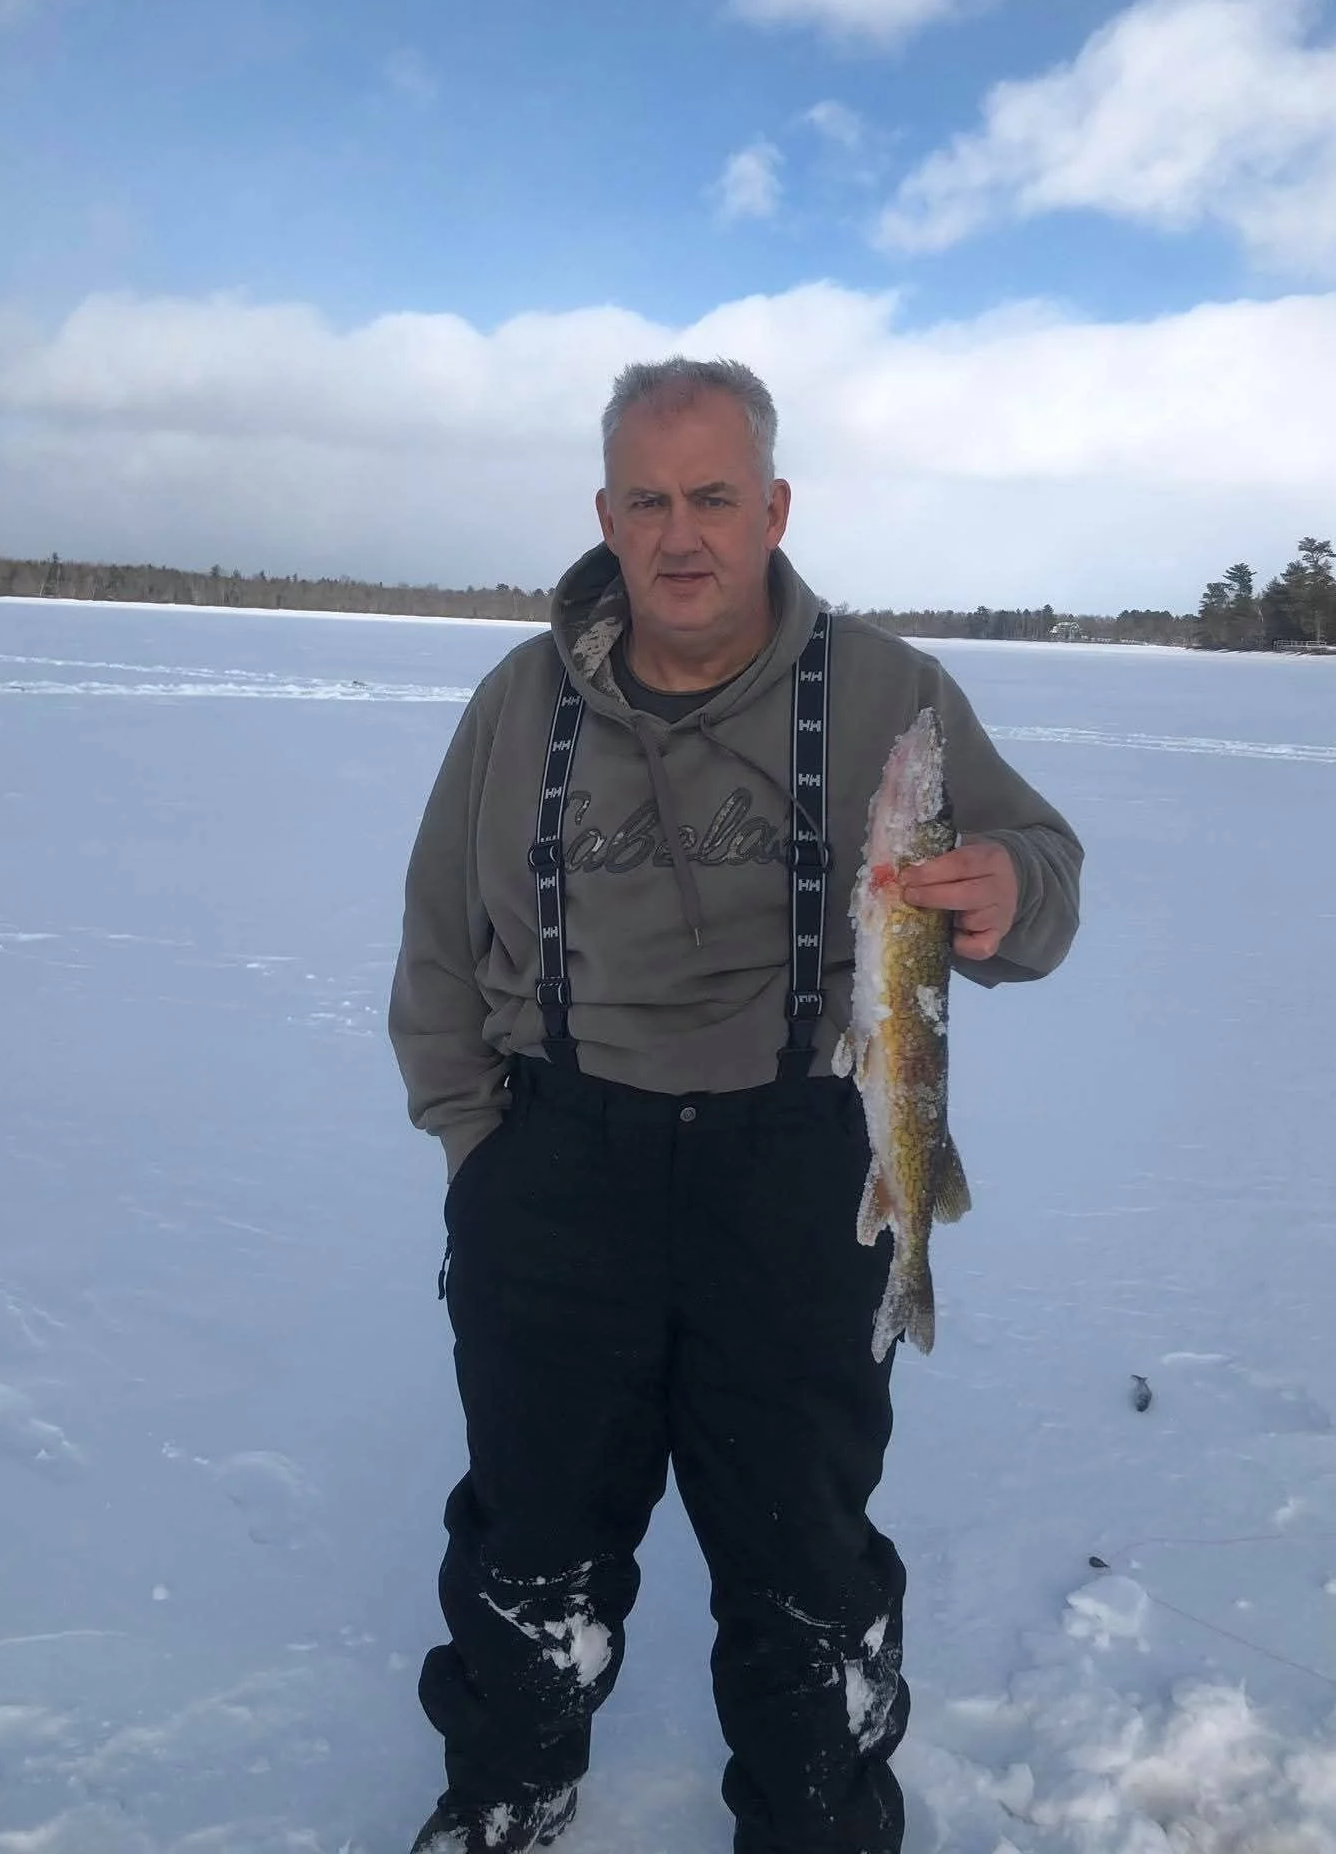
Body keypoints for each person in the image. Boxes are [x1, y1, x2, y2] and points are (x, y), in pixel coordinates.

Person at [388, 358, 1083, 1854]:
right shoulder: (519, 704)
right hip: (560, 1161)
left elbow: (1041, 876)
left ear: (773, 507)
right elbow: (438, 947)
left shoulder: (890, 690)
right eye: (649, 499)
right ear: (605, 514)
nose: (680, 533)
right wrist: (475, 1148)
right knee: (532, 1533)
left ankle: (817, 1823)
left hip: (792, 1167)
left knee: (805, 1554)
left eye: (714, 497)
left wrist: (1008, 888)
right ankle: (506, 1789)